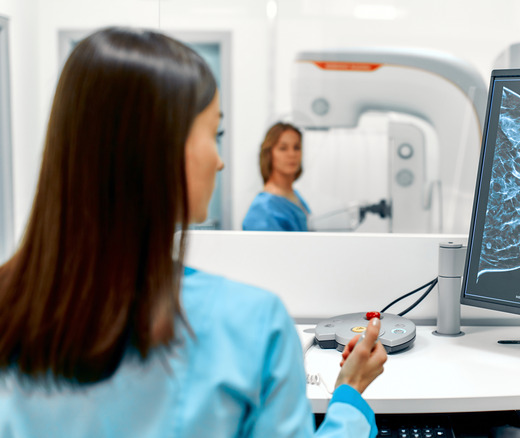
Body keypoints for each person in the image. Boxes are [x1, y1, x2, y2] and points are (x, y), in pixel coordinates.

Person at [0, 27, 386, 437]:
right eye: (214, 134)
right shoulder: (251, 326)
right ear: (161, 148)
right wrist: (348, 394)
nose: (220, 162)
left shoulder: (11, 304)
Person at [242, 122, 311, 231]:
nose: (292, 154)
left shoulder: (294, 195)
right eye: (283, 148)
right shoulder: (263, 208)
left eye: (296, 147)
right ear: (269, 154)